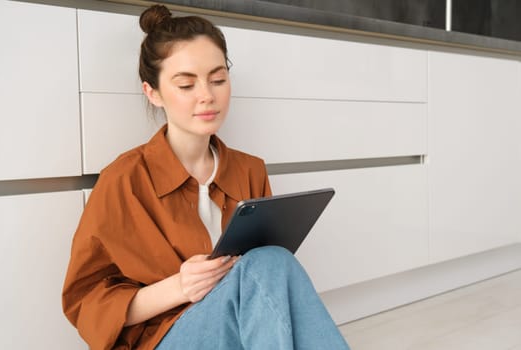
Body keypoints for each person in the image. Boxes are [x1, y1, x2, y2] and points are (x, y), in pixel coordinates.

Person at [62, 4, 350, 350]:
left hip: (238, 327)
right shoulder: (123, 180)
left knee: (272, 262)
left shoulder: (249, 169)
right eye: (186, 85)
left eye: (218, 79)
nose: (207, 96)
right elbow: (86, 303)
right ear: (152, 93)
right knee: (268, 263)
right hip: (163, 339)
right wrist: (180, 287)